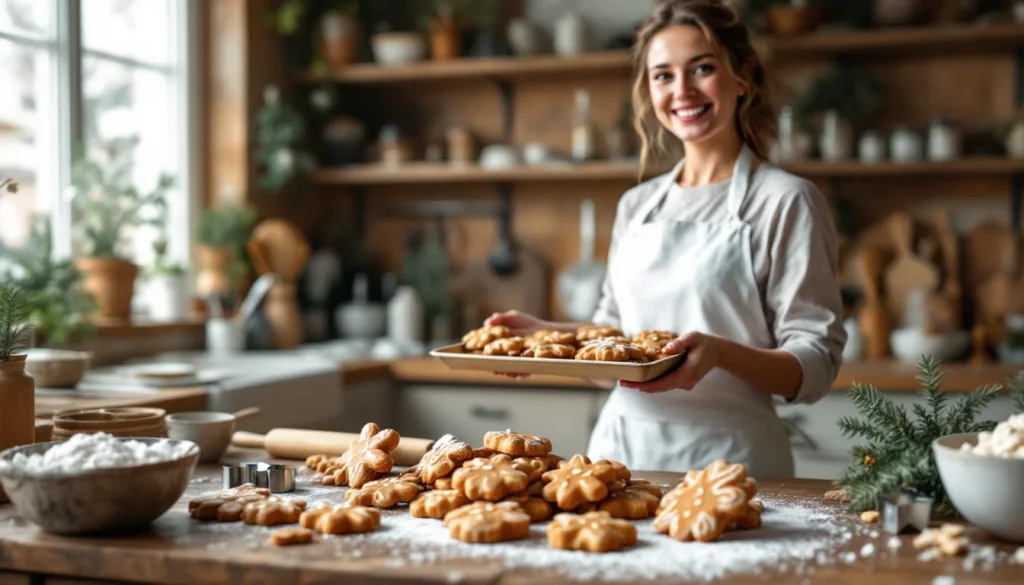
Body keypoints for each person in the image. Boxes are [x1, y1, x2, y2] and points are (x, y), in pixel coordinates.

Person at [484, 0, 846, 478]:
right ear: (648, 90)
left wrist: (721, 353)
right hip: (620, 456)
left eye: (702, 68)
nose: (682, 90)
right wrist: (545, 337)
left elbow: (815, 365)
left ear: (742, 77)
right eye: (663, 75)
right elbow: (613, 340)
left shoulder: (785, 201)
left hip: (735, 460)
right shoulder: (638, 206)